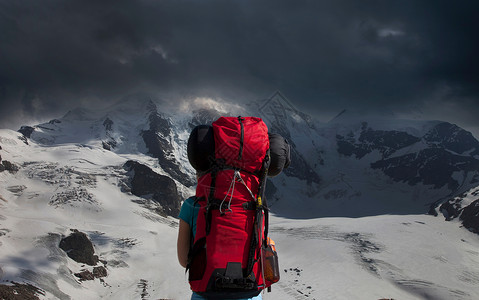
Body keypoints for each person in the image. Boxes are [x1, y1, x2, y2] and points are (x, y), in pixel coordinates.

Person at [177, 195, 263, 300]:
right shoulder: (255, 203)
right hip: (248, 291)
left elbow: (184, 260)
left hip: (207, 291)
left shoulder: (192, 204)